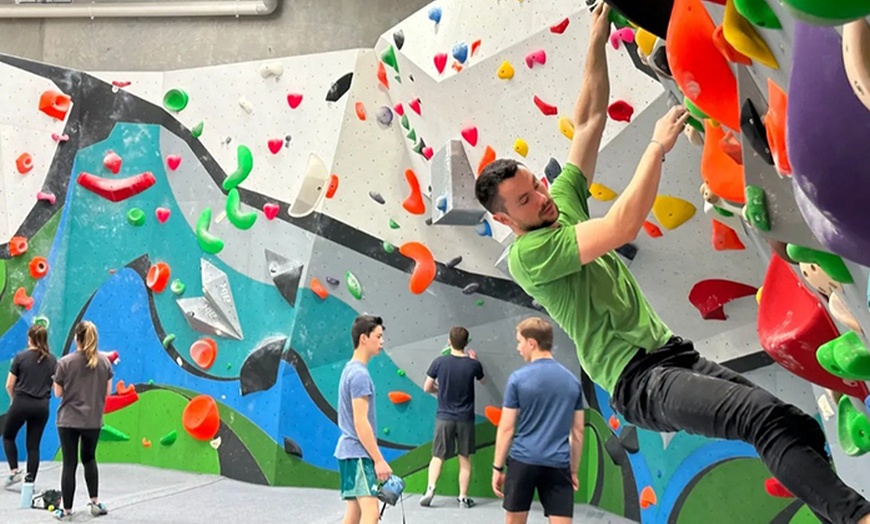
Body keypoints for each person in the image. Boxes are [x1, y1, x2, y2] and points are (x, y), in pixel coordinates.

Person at [474, 4, 870, 524]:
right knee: (762, 418)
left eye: (536, 186)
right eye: (524, 202)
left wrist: (596, 35)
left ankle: (837, 511)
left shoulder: (559, 205)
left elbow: (590, 119)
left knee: (792, 423)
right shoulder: (530, 255)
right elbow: (620, 228)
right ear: (505, 220)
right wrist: (655, 148)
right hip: (637, 380)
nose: (541, 198)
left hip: (671, 356)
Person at [491, 318, 585, 524]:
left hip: (523, 462)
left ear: (532, 343)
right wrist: (574, 471)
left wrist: (497, 468)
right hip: (558, 465)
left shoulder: (517, 379)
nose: (518, 348)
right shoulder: (572, 382)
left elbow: (506, 428)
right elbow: (578, 432)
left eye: (519, 342)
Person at [419, 326, 486, 508]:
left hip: (444, 417)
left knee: (437, 456)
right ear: (466, 343)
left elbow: (427, 387)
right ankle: (463, 497)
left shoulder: (439, 362)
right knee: (464, 458)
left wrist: (439, 389)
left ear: (449, 341)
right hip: (465, 418)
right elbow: (483, 380)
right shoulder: (473, 365)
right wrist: (474, 361)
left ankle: (430, 488)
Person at [335, 314, 392, 524]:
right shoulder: (360, 375)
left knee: (353, 514)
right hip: (359, 454)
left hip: (349, 453)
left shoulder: (350, 370)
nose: (382, 341)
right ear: (363, 339)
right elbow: (361, 422)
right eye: (378, 336)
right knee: (371, 513)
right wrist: (378, 460)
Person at [52, 321, 112, 520]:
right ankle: (95, 503)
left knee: (69, 464)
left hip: (68, 421)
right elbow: (108, 392)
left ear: (77, 338)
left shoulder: (65, 362)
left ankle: (66, 511)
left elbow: (58, 393)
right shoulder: (105, 362)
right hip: (93, 420)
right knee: (89, 459)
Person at [3, 324, 57, 487]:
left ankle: (14, 471)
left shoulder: (20, 358)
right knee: (33, 445)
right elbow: (55, 385)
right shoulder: (53, 360)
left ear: (30, 339)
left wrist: (14, 400)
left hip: (21, 402)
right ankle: (30, 481)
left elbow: (9, 385)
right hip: (41, 406)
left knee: (8, 436)